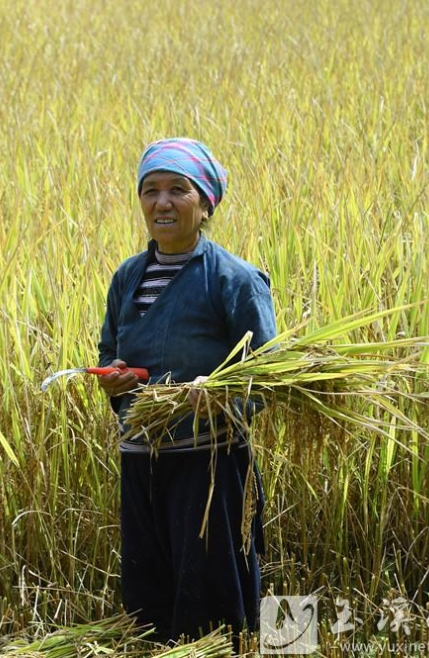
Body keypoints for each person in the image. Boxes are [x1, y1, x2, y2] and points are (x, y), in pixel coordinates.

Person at [96, 137, 277, 643]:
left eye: (179, 189)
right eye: (150, 190)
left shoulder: (234, 281)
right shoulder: (128, 277)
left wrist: (221, 392)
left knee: (210, 601)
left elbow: (267, 371)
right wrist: (116, 376)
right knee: (148, 596)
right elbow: (111, 348)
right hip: (140, 459)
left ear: (205, 204)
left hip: (209, 464)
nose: (162, 203)